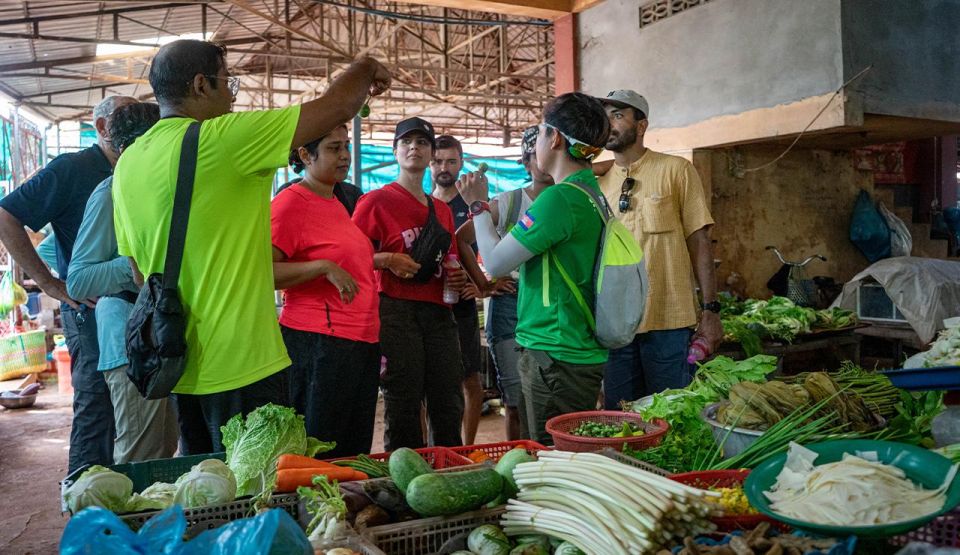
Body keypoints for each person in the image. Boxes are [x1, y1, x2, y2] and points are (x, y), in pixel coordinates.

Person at [112, 39, 390, 454]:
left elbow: (139, 272)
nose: (232, 96)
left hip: (178, 361)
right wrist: (365, 66)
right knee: (257, 497)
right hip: (242, 363)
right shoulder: (223, 138)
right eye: (229, 84)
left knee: (208, 492)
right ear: (202, 85)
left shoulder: (129, 163)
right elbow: (334, 108)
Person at [458, 93, 610, 444]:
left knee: (549, 456)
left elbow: (495, 263)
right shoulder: (590, 193)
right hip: (570, 346)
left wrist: (478, 207)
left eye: (541, 131)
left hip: (555, 353)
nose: (538, 140)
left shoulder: (559, 199)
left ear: (554, 138)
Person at [0, 95, 136, 473]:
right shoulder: (73, 168)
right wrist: (49, 283)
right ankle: (86, 508)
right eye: (125, 120)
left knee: (130, 409)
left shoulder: (139, 168)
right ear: (104, 127)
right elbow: (6, 215)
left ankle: (122, 506)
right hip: (89, 310)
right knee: (97, 407)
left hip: (133, 307)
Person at [66, 102, 179, 464]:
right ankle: (124, 522)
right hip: (129, 338)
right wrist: (131, 265)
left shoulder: (158, 189)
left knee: (163, 450)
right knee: (139, 456)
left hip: (161, 332)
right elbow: (78, 280)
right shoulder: (108, 194)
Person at [597, 90, 721, 408]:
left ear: (641, 125)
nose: (609, 122)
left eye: (618, 115)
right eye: (606, 115)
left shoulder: (675, 170)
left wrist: (711, 311)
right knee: (619, 419)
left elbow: (699, 241)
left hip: (670, 320)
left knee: (671, 415)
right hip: (617, 325)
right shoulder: (598, 184)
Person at [352, 117, 468, 450]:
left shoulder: (442, 210)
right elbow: (348, 256)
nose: (413, 148)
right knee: (403, 398)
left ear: (431, 153)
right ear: (395, 151)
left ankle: (449, 465)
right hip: (396, 310)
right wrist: (387, 259)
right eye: (406, 142)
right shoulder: (376, 202)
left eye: (421, 142)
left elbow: (450, 259)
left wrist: (456, 275)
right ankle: (403, 476)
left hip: (438, 311)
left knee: (447, 398)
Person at [272, 125, 380, 457]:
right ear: (305, 155)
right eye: (334, 148)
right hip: (320, 343)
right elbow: (264, 273)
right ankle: (317, 510)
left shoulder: (335, 201)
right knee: (322, 449)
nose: (345, 155)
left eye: (346, 146)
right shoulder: (290, 203)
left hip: (359, 343)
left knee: (353, 449)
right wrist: (321, 267)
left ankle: (343, 509)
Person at [456, 125, 552, 440]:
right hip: (510, 302)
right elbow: (462, 239)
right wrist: (484, 285)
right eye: (536, 158)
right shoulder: (509, 202)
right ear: (526, 163)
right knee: (516, 399)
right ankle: (519, 461)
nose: (546, 164)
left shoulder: (567, 199)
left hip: (551, 304)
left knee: (551, 394)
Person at [429, 135, 484, 445]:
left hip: (462, 305)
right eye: (438, 161)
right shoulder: (423, 204)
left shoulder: (472, 205)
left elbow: (492, 249)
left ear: (462, 163)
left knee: (470, 378)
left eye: (451, 161)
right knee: (430, 381)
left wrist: (481, 286)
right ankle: (429, 448)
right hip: (430, 305)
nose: (444, 167)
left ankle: (469, 446)